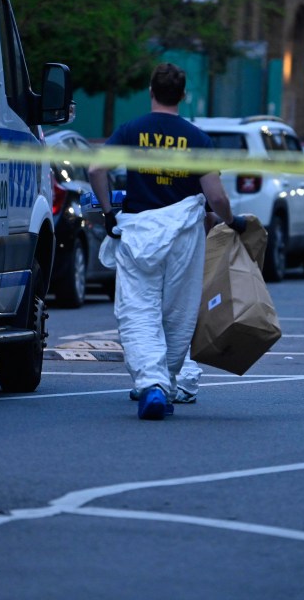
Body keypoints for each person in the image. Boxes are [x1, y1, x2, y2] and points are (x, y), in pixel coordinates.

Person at [89, 62, 245, 420]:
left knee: (138, 310)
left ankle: (152, 383)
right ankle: (165, 382)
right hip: (183, 237)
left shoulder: (132, 131)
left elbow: (97, 169)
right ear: (184, 95)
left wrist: (110, 211)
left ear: (150, 91)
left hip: (139, 234)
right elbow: (216, 196)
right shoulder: (197, 139)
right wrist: (231, 222)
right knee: (178, 313)